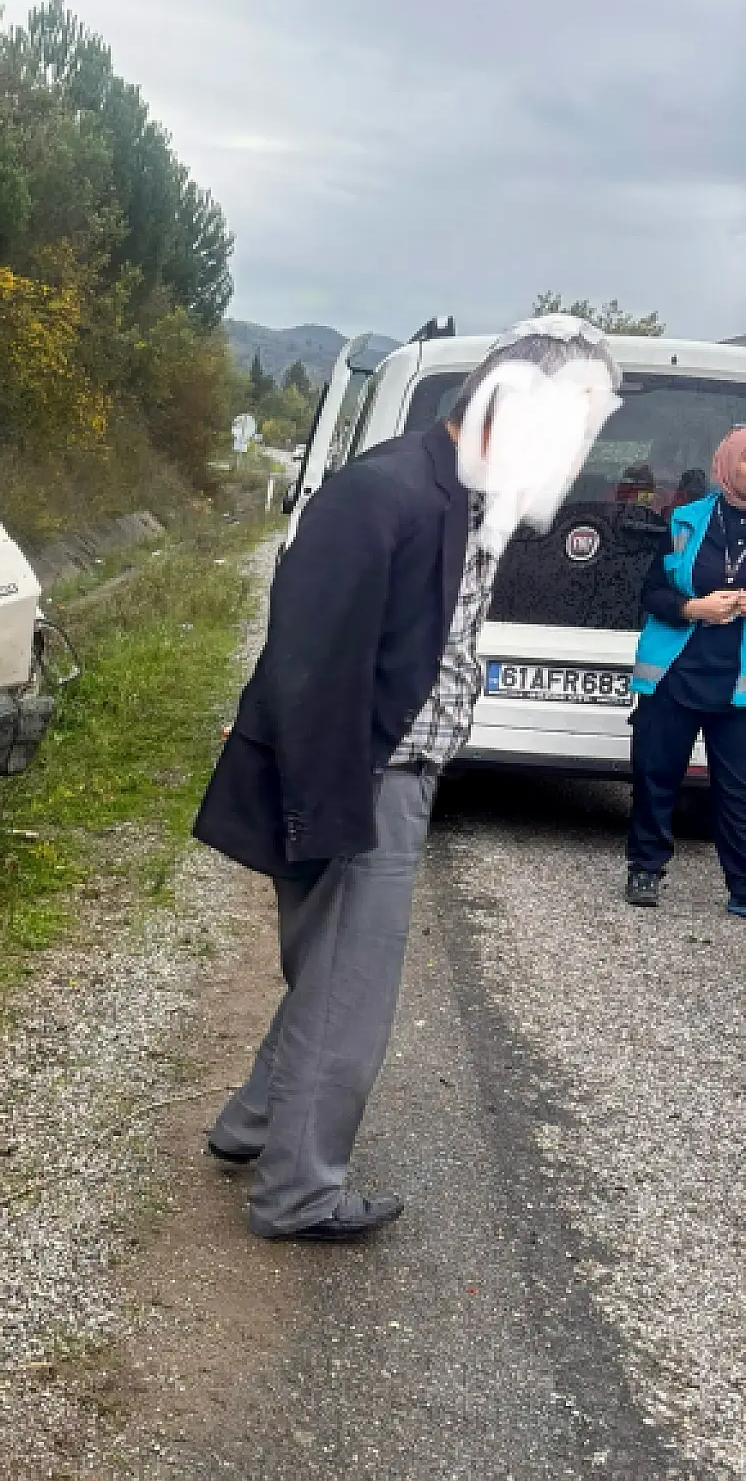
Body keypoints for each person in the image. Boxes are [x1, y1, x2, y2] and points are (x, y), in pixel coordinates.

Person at [193, 317, 621, 1242]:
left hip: (398, 772)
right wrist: (327, 810)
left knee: (330, 974)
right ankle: (298, 1193)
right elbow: (308, 664)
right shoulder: (384, 493)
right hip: (363, 778)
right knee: (351, 993)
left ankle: (252, 1128)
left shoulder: (469, 497)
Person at [624, 427, 746, 917]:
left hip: (736, 683)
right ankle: (645, 868)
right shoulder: (686, 520)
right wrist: (695, 608)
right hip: (675, 674)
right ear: (727, 464)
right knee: (656, 775)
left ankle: (742, 888)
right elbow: (651, 592)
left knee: (738, 790)